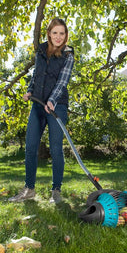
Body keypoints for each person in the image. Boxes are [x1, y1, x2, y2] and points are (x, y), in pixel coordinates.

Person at [9, 18, 74, 204]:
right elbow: (37, 74)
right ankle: (29, 189)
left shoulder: (68, 54)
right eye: (55, 33)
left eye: (62, 33)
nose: (58, 37)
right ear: (49, 33)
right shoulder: (41, 50)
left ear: (65, 35)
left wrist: (52, 100)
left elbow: (63, 81)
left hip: (57, 105)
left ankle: (56, 190)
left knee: (55, 149)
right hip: (37, 104)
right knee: (30, 147)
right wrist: (30, 89)